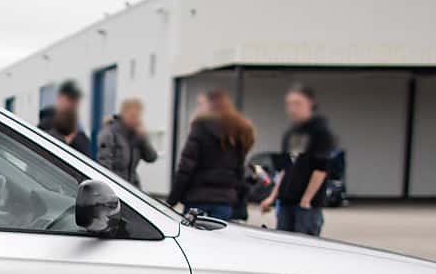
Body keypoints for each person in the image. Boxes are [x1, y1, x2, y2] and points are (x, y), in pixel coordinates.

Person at [169, 89, 255, 220]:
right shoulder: (235, 131)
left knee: (195, 237)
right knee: (219, 237)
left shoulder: (200, 128)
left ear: (210, 105)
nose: (198, 108)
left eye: (201, 104)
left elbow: (186, 167)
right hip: (224, 200)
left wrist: (172, 199)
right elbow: (239, 171)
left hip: (197, 198)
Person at [262, 83, 336, 236]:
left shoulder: (320, 132)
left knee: (304, 247)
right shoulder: (291, 134)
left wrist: (306, 199)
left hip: (306, 206)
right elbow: (285, 168)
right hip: (286, 202)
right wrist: (272, 196)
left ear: (311, 104)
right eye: (290, 104)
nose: (293, 109)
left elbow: (320, 169)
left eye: (298, 103)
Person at [97, 96, 158, 185]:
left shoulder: (136, 135)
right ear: (124, 113)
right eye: (133, 116)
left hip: (132, 187)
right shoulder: (110, 133)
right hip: (116, 187)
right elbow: (104, 165)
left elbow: (152, 158)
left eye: (138, 116)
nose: (136, 120)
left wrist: (143, 138)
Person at [37, 80, 88, 154]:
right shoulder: (47, 124)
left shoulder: (76, 126)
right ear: (59, 98)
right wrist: (65, 140)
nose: (74, 104)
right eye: (70, 99)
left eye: (76, 100)